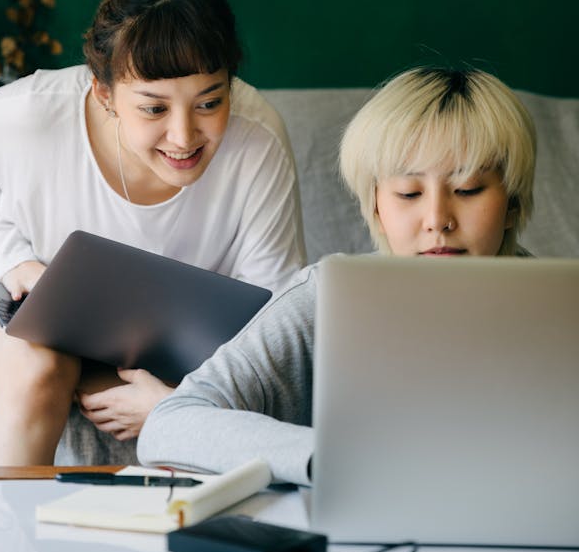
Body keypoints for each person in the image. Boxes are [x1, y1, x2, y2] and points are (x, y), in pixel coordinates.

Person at [0, 0, 306, 465]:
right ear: (104, 93)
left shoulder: (257, 139)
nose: (184, 136)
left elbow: (272, 316)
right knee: (40, 368)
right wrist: (14, 260)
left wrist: (178, 400)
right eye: (154, 108)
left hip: (121, 327)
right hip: (0, 282)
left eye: (209, 102)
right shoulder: (34, 111)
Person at [136, 66, 537, 484]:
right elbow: (171, 423)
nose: (437, 220)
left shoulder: (561, 308)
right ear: (377, 207)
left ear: (511, 203)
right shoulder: (325, 297)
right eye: (409, 194)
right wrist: (333, 459)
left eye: (468, 189)